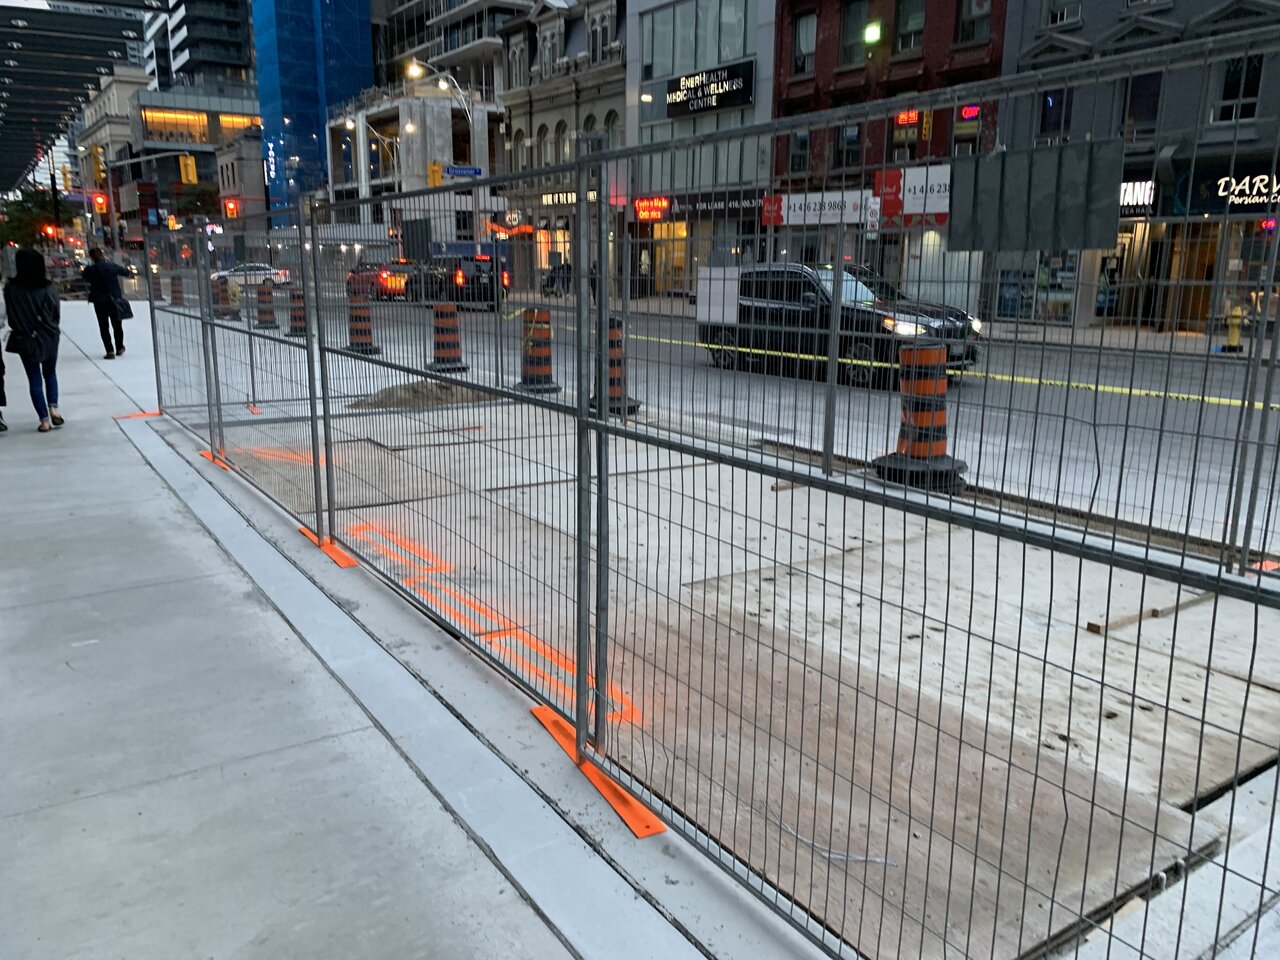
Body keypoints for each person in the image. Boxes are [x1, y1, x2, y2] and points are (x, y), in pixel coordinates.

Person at [3, 248, 62, 432]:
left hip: (25, 336)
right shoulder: (48, 287)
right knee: (50, 373)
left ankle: (44, 420)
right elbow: (56, 313)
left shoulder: (10, 288)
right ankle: (54, 409)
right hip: (49, 335)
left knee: (34, 378)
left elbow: (10, 314)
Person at [82, 247, 131, 359]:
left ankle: (109, 351)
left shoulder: (90, 269)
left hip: (99, 301)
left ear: (91, 257)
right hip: (114, 300)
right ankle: (119, 347)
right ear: (102, 255)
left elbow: (84, 276)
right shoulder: (111, 266)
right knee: (117, 325)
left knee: (103, 326)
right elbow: (126, 272)